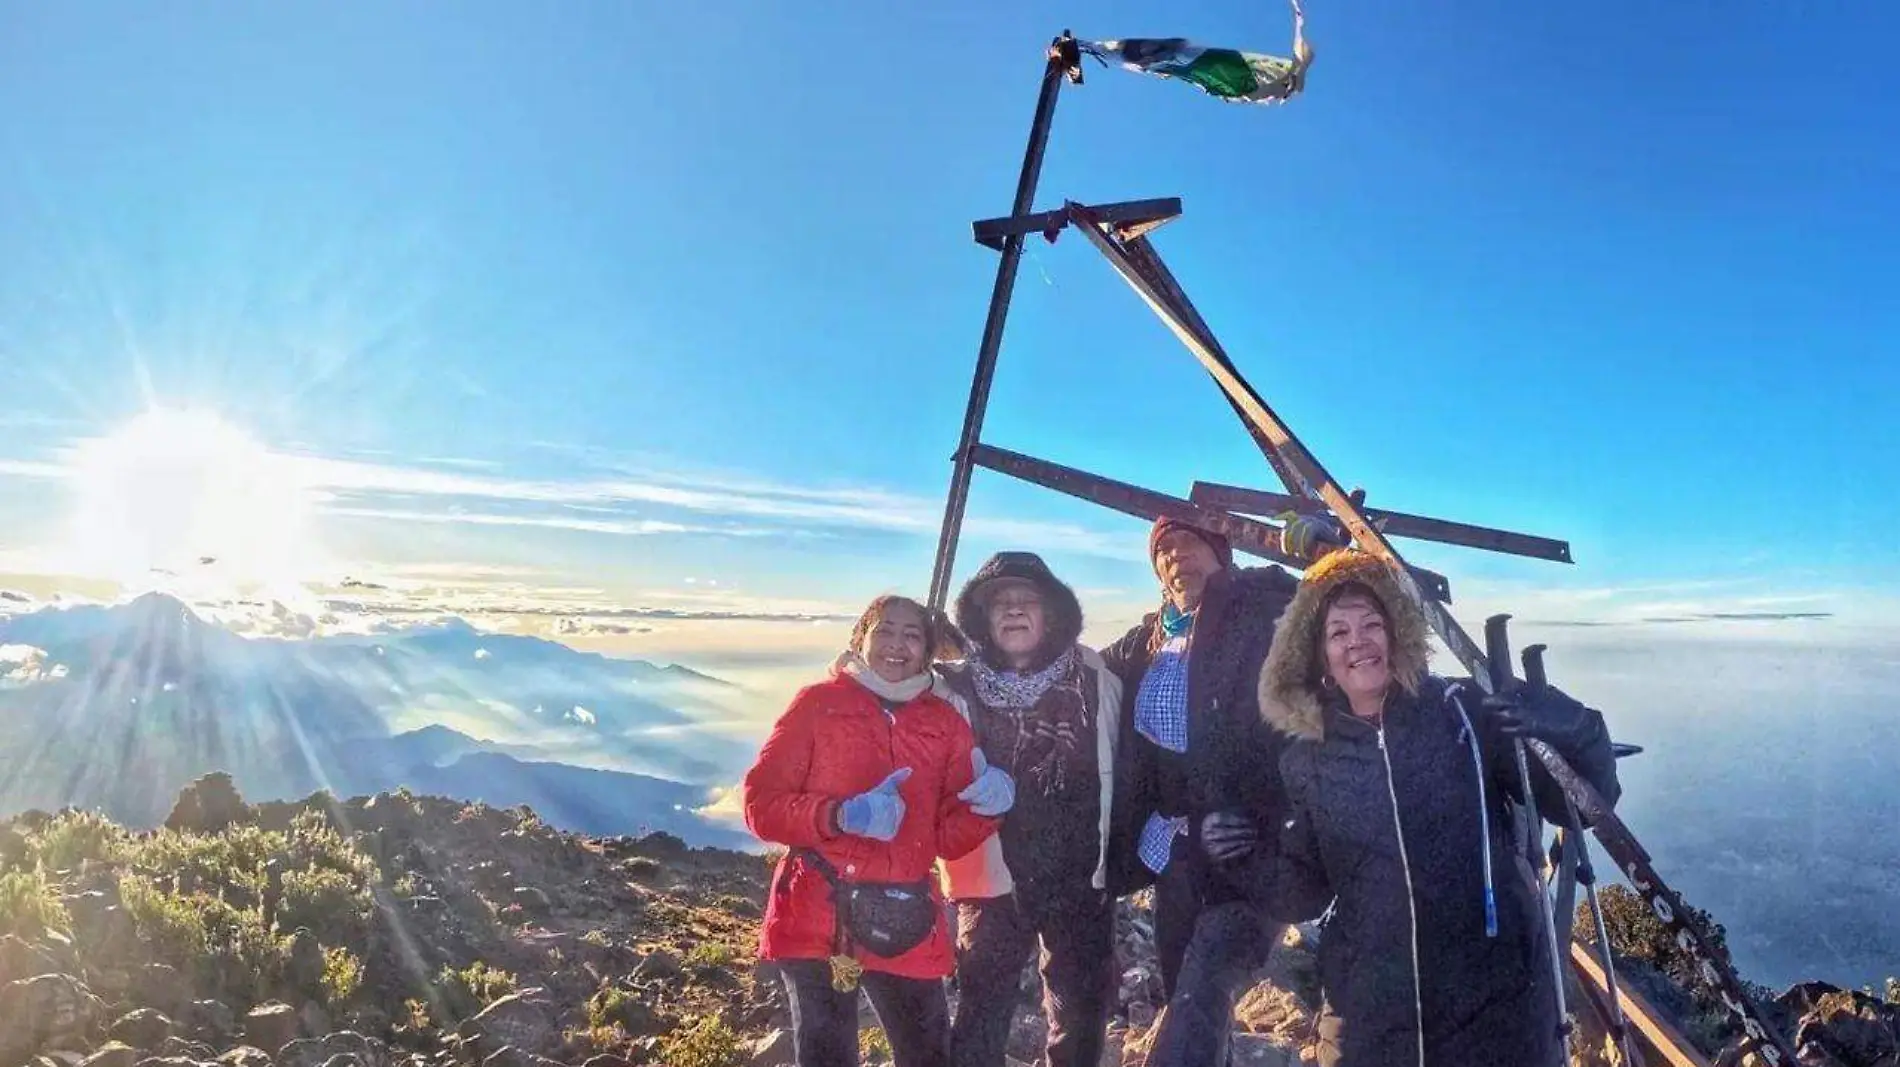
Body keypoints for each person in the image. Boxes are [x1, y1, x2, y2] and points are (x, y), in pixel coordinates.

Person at [1259, 549, 1623, 1067]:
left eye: (1372, 624)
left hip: (1499, 1014)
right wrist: (1240, 855)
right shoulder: (1307, 758)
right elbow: (1302, 889)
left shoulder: (1464, 712)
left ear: (1398, 632)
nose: (1357, 641)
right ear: (1318, 656)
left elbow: (1582, 807)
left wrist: (1583, 734)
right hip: (1373, 1023)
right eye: (1338, 633)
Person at [743, 594, 1019, 1067]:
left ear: (929, 651)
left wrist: (988, 807)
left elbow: (945, 838)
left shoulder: (945, 724)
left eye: (912, 635)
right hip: (818, 919)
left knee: (929, 1055)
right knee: (828, 1056)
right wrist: (841, 816)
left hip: (905, 916)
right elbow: (760, 805)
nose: (897, 645)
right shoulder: (817, 705)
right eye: (885, 631)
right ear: (860, 639)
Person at [1100, 517, 1303, 1065]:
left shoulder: (1259, 612)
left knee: (1204, 986)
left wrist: (1261, 815)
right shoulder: (1150, 640)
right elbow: (1080, 673)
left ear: (1221, 552)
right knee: (1180, 990)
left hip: (1248, 850)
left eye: (1190, 543)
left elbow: (1310, 610)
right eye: (1163, 551)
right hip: (1176, 849)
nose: (1176, 557)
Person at [935, 551, 1123, 1067]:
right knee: (981, 1007)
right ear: (981, 617)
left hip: (1078, 874)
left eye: (1027, 601)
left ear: (1052, 613)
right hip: (991, 874)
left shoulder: (1096, 677)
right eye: (1001, 602)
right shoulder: (951, 685)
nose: (1014, 611)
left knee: (1080, 1012)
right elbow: (881, 683)